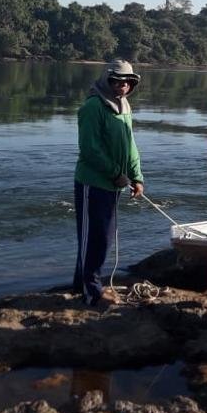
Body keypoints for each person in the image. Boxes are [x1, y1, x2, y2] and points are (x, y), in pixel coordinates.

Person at [73, 59, 144, 307]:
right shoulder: (93, 107)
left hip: (114, 184)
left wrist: (137, 176)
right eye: (117, 81)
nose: (122, 86)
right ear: (107, 80)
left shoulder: (124, 107)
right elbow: (90, 149)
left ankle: (82, 284)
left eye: (127, 82)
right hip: (93, 183)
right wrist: (115, 173)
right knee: (94, 238)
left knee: (102, 237)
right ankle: (91, 291)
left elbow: (130, 145)